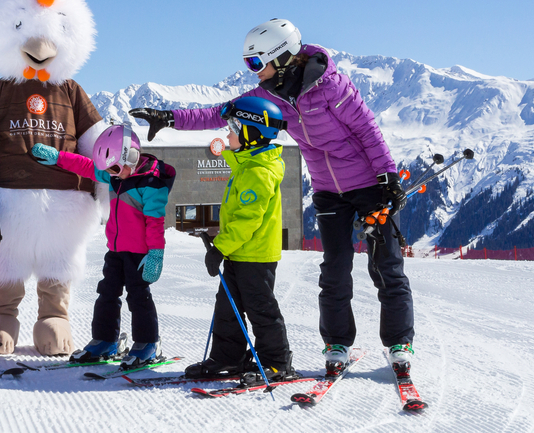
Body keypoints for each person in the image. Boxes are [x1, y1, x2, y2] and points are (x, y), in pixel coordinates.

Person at [130, 19, 415, 374]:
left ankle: (399, 342)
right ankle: (337, 342)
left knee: (386, 266)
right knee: (335, 270)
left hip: (370, 185)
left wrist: (387, 174)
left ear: (281, 58)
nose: (252, 73)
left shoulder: (332, 87)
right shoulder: (269, 95)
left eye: (255, 63)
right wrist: (169, 118)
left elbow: (366, 129)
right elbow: (217, 113)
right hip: (328, 191)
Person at [31, 124, 176, 368]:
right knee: (107, 293)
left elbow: (155, 223)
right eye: (108, 169)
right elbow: (86, 166)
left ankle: (149, 344)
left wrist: (156, 254)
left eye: (115, 168)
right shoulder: (116, 173)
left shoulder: (151, 183)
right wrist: (57, 158)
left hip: (139, 254)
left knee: (139, 297)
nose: (112, 174)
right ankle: (106, 340)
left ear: (131, 155)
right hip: (116, 250)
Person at [185, 96, 299, 383]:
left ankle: (276, 361)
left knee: (260, 308)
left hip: (256, 255)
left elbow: (248, 220)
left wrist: (220, 248)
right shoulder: (246, 167)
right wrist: (221, 243)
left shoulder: (259, 172)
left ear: (252, 132)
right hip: (239, 252)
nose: (227, 134)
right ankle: (229, 357)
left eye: (233, 128)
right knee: (227, 307)